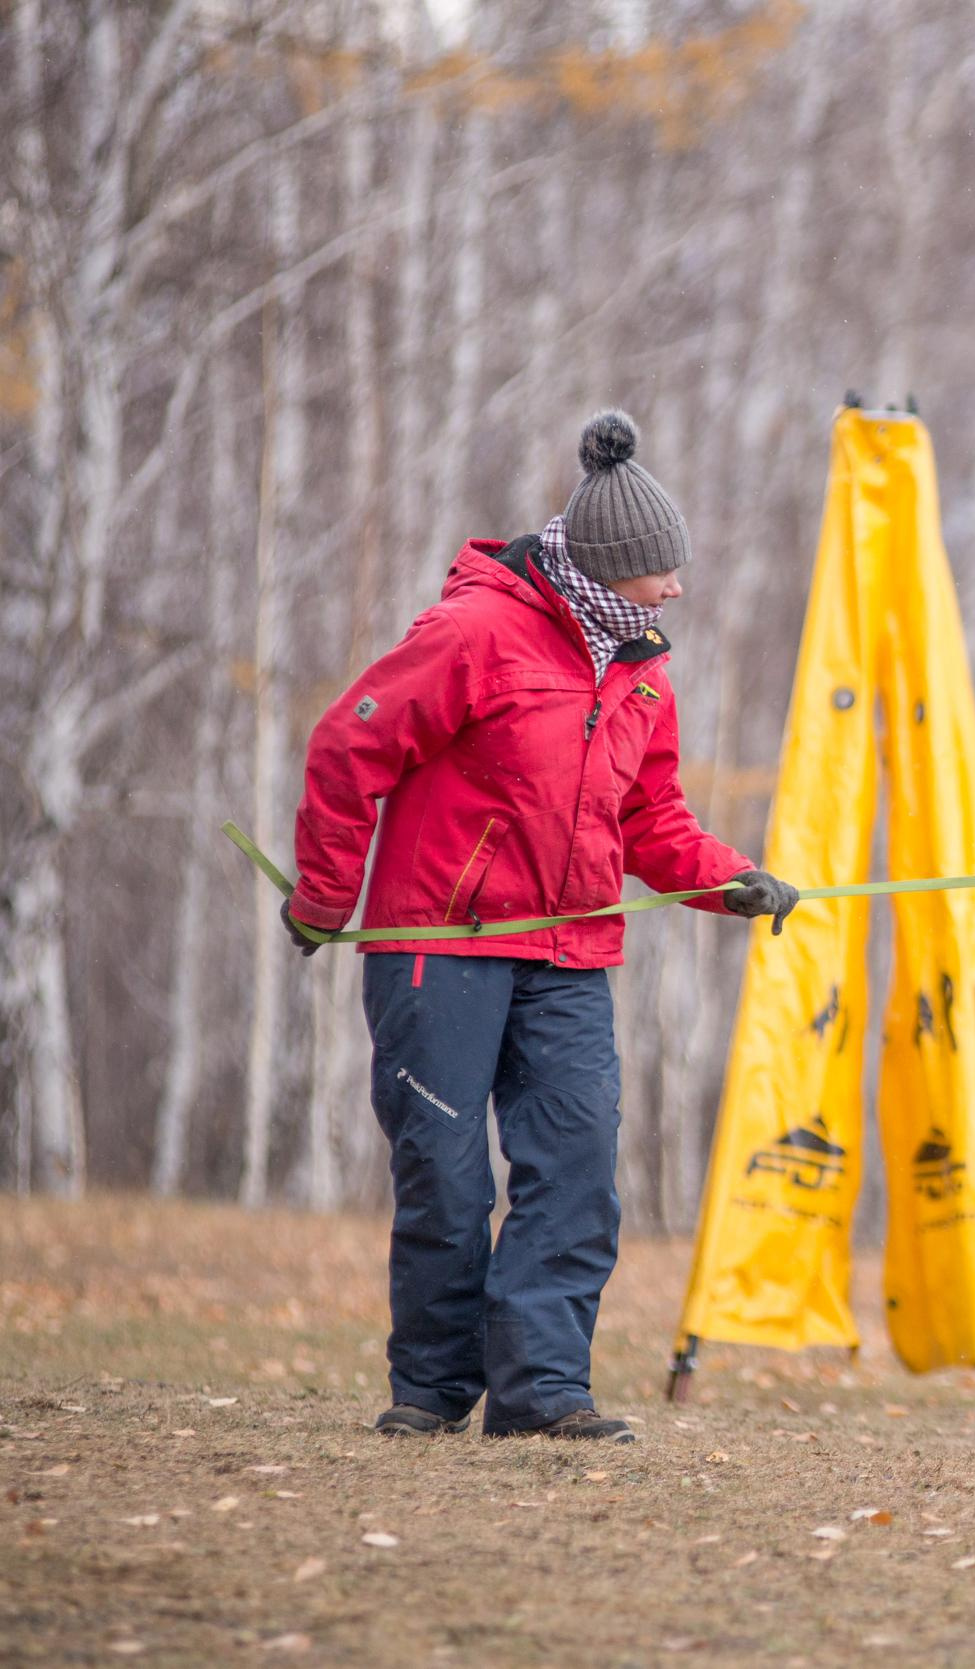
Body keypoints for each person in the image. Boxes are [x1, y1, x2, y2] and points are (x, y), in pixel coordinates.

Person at [284, 411, 801, 1443]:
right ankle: (430, 1391)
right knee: (446, 1171)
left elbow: (653, 823)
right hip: (441, 945)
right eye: (662, 573)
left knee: (574, 1172)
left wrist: (733, 881)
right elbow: (350, 748)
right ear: (609, 573)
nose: (678, 591)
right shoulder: (474, 634)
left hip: (569, 956)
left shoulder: (641, 671)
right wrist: (323, 899)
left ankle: (543, 1392)